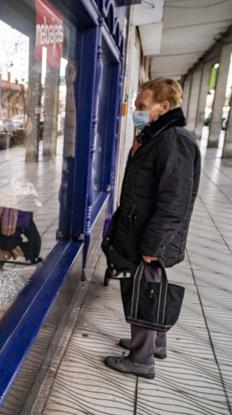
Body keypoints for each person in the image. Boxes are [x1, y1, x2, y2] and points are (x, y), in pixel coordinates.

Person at [103, 78, 201, 378]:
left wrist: (152, 246)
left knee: (145, 289)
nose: (137, 112)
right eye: (136, 107)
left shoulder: (174, 142)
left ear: (164, 107)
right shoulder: (154, 137)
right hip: (141, 230)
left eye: (142, 107)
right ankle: (155, 343)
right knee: (152, 287)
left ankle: (141, 359)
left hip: (149, 236)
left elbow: (175, 202)